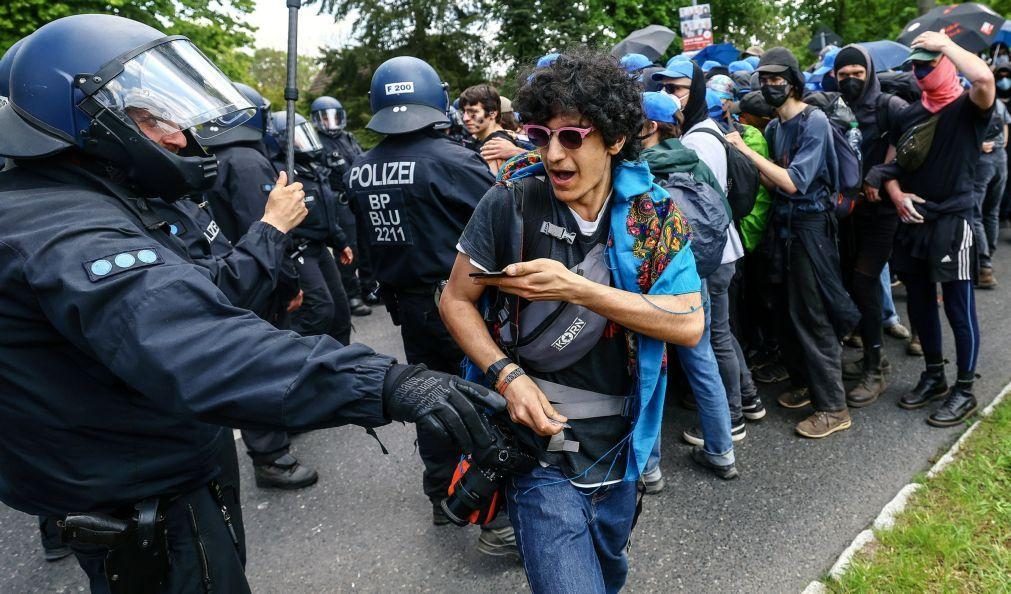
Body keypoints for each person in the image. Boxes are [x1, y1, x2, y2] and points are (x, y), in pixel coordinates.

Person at [0, 15, 505, 593]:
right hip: (141, 503)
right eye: (151, 118)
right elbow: (199, 341)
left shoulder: (94, 203)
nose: (176, 135)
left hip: (159, 467)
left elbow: (197, 287)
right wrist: (387, 384)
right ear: (86, 120)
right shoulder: (67, 233)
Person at [439, 49, 705, 593]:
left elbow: (688, 323)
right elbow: (455, 299)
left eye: (572, 137)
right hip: (536, 448)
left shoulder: (653, 216)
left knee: (609, 572)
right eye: (539, 135)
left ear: (613, 139)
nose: (553, 153)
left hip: (624, 444)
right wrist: (506, 377)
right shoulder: (510, 202)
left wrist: (578, 288)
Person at [345, 57, 500, 541]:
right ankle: (494, 513)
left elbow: (368, 246)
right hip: (464, 303)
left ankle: (441, 494)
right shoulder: (454, 160)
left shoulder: (360, 170)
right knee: (488, 395)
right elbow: (500, 224)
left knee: (431, 398)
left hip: (408, 306)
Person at [726, 47, 860, 439]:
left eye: (777, 80)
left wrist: (746, 151)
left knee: (813, 313)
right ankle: (806, 383)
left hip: (811, 228)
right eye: (763, 80)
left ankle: (834, 407)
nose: (770, 86)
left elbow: (795, 181)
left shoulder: (813, 121)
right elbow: (773, 181)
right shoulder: (773, 128)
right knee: (787, 311)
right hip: (783, 228)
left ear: (794, 82)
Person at [201, 82, 320, 490]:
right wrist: (288, 284)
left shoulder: (207, 157)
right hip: (255, 276)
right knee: (260, 362)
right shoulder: (246, 161)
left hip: (230, 270)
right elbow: (271, 230)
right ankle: (272, 457)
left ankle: (276, 435)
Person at [872, 32, 994, 426]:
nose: (921, 71)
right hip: (913, 224)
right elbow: (892, 167)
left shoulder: (968, 107)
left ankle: (964, 388)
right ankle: (934, 375)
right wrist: (896, 195)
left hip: (953, 222)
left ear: (948, 63)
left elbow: (985, 80)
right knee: (921, 305)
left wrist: (945, 44)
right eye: (916, 65)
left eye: (930, 63)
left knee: (959, 308)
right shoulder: (909, 114)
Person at [638, 90, 739, 488]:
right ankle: (721, 451)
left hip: (652, 284)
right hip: (695, 277)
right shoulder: (694, 160)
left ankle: (649, 468)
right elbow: (725, 212)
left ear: (650, 126)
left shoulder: (637, 167)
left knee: (650, 367)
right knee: (703, 360)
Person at [652, 60, 757, 443]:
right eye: (663, 88)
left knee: (714, 341)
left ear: (695, 90)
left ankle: (731, 418)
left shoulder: (696, 140)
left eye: (677, 88)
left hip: (711, 256)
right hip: (718, 253)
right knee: (719, 337)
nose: (670, 96)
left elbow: (705, 211)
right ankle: (746, 400)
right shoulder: (698, 131)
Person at [831, 44, 910, 408]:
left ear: (869, 73)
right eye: (843, 74)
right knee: (854, 282)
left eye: (856, 74)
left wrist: (884, 171)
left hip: (881, 214)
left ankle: (876, 369)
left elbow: (914, 138)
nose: (849, 80)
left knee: (865, 282)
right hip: (851, 212)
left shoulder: (888, 105)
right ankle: (870, 356)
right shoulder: (839, 107)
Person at [270, 111, 356, 346]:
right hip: (298, 249)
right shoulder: (280, 172)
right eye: (296, 136)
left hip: (319, 247)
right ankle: (300, 359)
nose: (303, 140)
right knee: (319, 309)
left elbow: (326, 212)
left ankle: (342, 361)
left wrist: (339, 242)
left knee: (340, 309)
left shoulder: (312, 168)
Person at [310, 95, 374, 315]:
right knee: (349, 248)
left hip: (359, 198)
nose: (330, 122)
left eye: (334, 117)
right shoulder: (316, 141)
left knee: (367, 244)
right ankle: (352, 295)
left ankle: (369, 288)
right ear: (317, 120)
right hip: (339, 201)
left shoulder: (348, 137)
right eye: (325, 118)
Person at [968, 67, 1010, 289]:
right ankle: (988, 257)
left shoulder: (973, 101)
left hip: (983, 162)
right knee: (991, 212)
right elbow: (1005, 131)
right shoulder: (999, 103)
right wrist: (998, 144)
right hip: (1000, 158)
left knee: (975, 212)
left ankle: (984, 265)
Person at [459, 84, 521, 174]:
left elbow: (491, 186)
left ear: (492, 113)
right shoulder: (496, 139)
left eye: (473, 112)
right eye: (464, 112)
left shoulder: (494, 146)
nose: (465, 118)